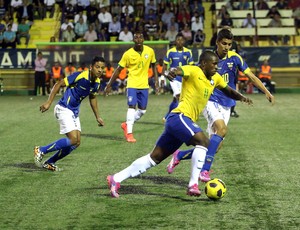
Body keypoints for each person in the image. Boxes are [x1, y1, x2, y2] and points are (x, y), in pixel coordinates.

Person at [106, 50, 253, 198]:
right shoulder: (195, 70)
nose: (217, 67)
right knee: (204, 142)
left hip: (179, 123)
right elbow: (179, 70)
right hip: (180, 117)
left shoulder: (215, 78)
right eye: (214, 64)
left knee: (154, 158)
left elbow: (228, 90)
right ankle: (193, 184)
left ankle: (116, 179)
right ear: (203, 64)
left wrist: (242, 97)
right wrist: (172, 72)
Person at [166, 29, 275, 181]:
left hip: (227, 104)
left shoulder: (235, 58)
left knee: (214, 147)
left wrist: (266, 92)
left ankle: (180, 154)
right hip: (210, 100)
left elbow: (250, 76)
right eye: (224, 43)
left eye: (229, 44)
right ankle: (205, 171)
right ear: (217, 42)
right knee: (222, 129)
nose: (226, 47)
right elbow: (196, 75)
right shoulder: (208, 59)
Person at [34, 56, 106, 171]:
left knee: (76, 143)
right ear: (91, 67)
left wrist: (98, 116)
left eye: (102, 68)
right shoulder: (81, 75)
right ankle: (41, 150)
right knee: (73, 139)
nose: (100, 70)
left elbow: (92, 98)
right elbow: (58, 84)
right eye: (97, 67)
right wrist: (48, 102)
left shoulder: (97, 83)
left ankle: (50, 162)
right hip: (63, 108)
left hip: (74, 112)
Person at [104, 32, 158, 143]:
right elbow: (118, 69)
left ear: (143, 39)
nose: (138, 39)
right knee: (132, 107)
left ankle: (126, 125)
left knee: (142, 111)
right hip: (132, 84)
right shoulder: (128, 54)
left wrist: (156, 80)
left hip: (144, 85)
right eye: (136, 37)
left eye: (140, 37)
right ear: (133, 40)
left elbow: (154, 65)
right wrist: (109, 84)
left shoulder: (150, 51)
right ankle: (129, 133)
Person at [162, 32, 194, 121]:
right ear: (175, 41)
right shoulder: (170, 52)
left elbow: (191, 66)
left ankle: (167, 116)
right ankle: (181, 117)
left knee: (175, 100)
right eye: (178, 40)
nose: (180, 42)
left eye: (182, 40)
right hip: (173, 78)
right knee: (179, 96)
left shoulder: (188, 52)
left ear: (184, 41)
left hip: (183, 79)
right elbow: (164, 66)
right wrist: (164, 75)